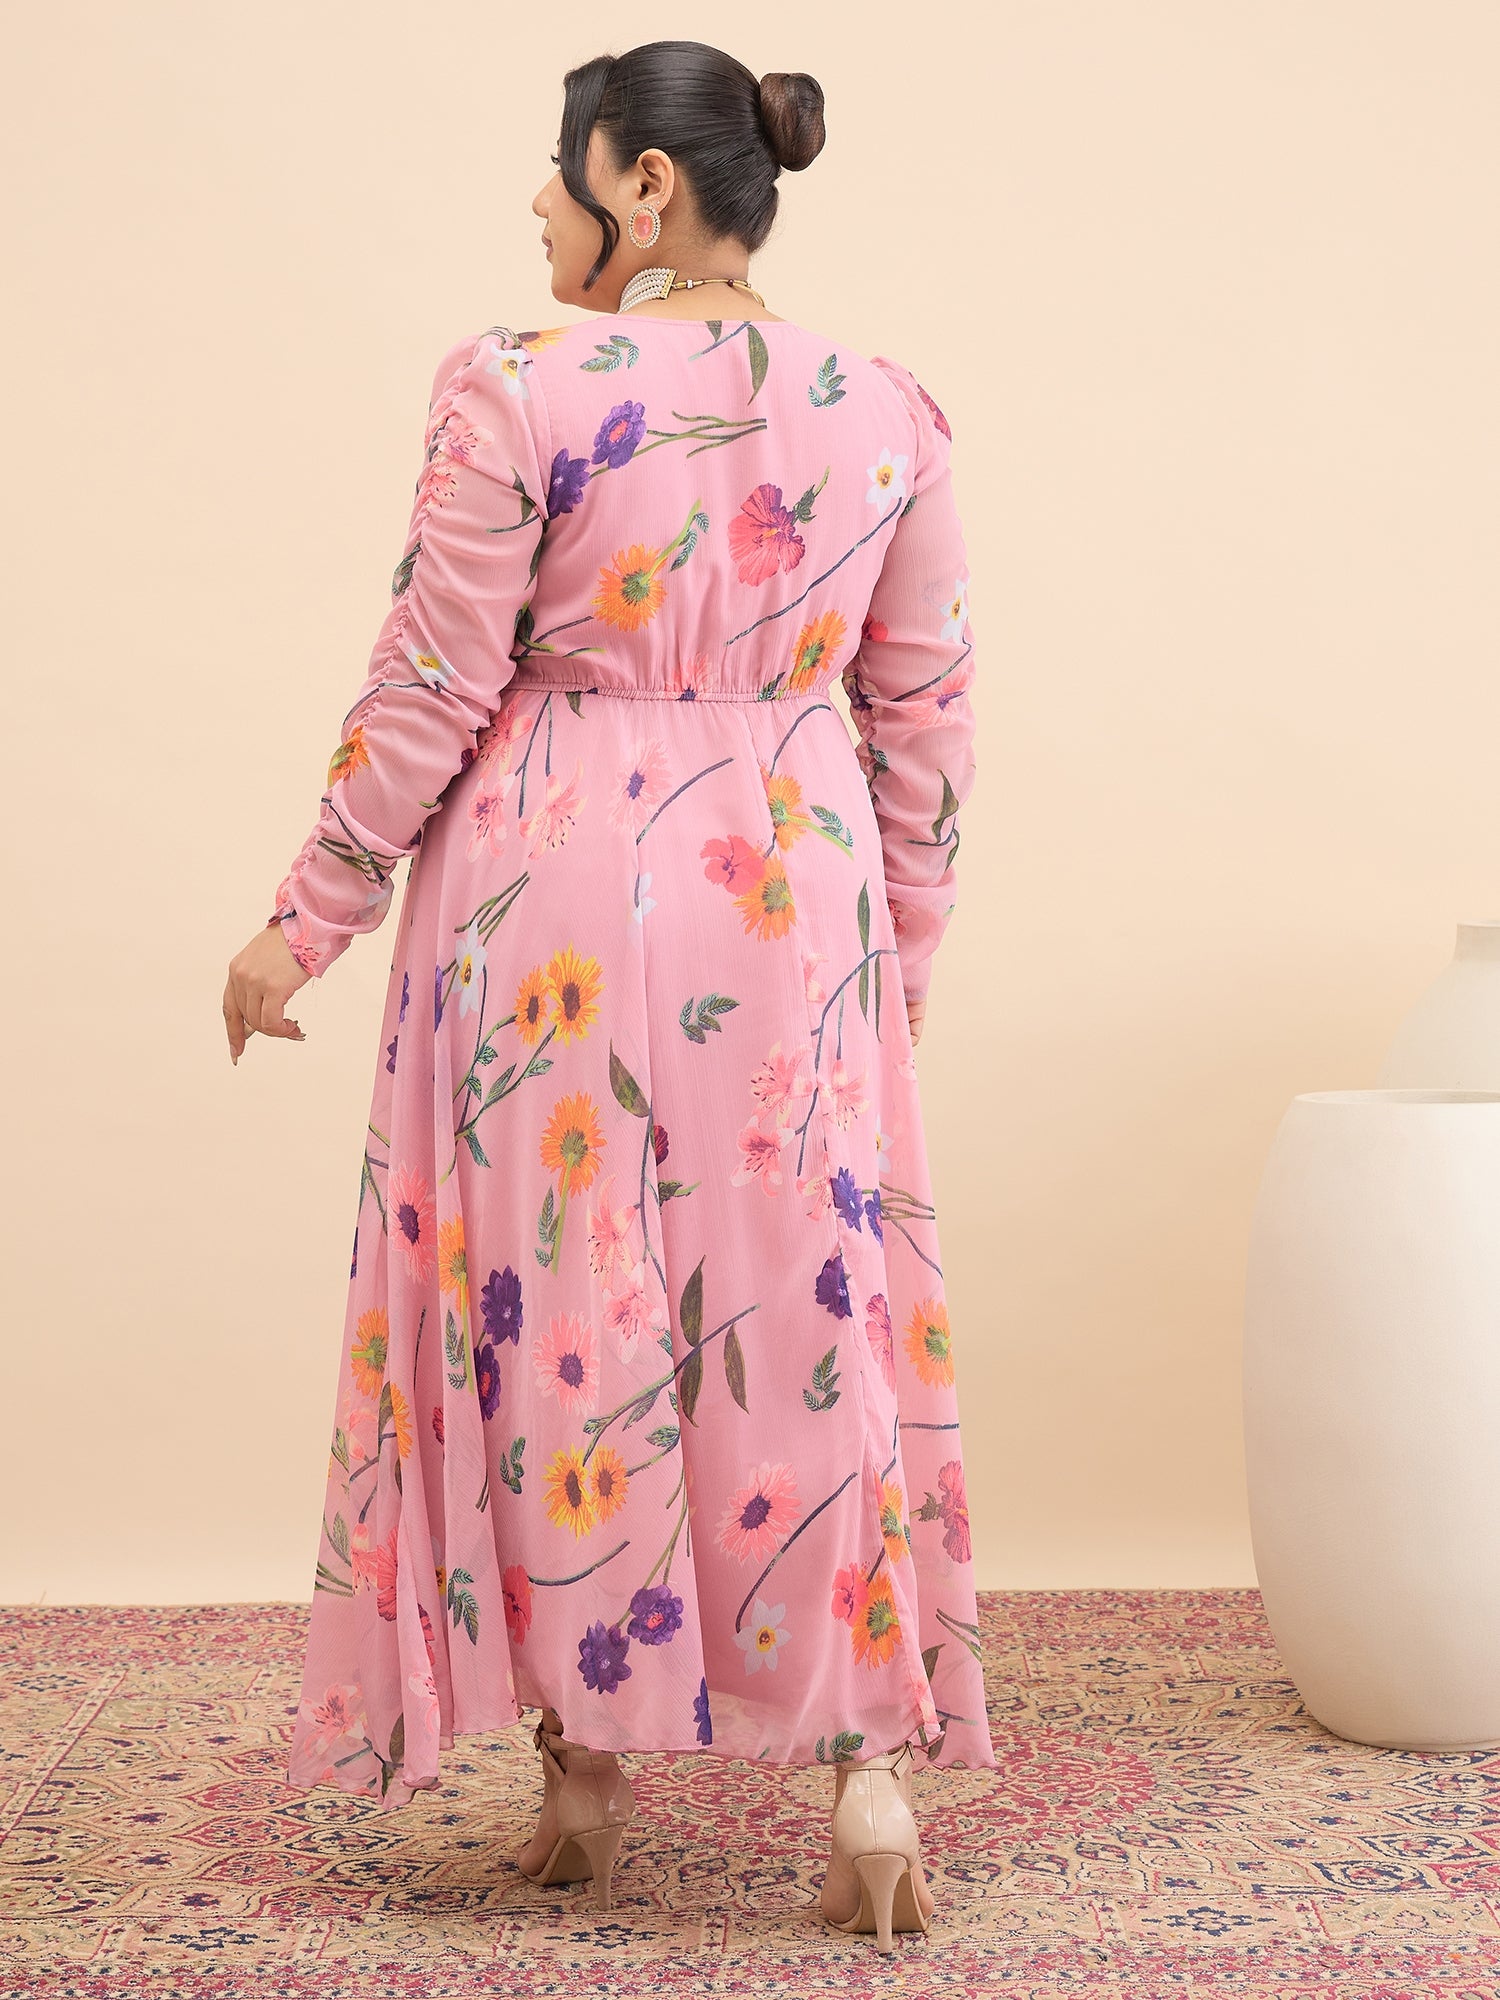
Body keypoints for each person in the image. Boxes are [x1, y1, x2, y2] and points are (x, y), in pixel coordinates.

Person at [225, 36, 995, 1954]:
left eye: (558, 164)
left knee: (557, 1304)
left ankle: (581, 1758)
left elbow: (433, 682)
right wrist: (896, 957)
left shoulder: (514, 381)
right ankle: (867, 1781)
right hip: (789, 893)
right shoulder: (887, 406)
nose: (536, 201)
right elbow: (925, 714)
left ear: (643, 184)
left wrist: (304, 918)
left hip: (549, 890)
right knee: (799, 1299)